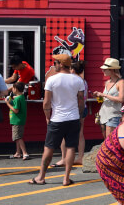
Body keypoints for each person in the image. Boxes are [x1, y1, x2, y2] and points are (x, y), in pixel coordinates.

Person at [29, 55, 85, 186]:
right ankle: (66, 178)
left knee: (49, 147)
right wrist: (80, 114)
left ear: (60, 64)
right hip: (73, 117)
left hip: (57, 118)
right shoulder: (78, 80)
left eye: (55, 62)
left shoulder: (51, 80)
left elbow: (46, 102)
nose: (54, 64)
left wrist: (47, 116)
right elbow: (81, 101)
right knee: (71, 147)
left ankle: (41, 176)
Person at [94, 58, 124, 139]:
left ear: (112, 70)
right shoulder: (107, 82)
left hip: (114, 114)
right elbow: (103, 100)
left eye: (105, 69)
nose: (103, 71)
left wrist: (104, 95)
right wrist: (99, 97)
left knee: (110, 140)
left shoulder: (121, 82)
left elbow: (121, 99)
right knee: (106, 140)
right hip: (103, 113)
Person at [6, 81, 29, 160]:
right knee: (17, 137)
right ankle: (18, 152)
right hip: (19, 120)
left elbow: (16, 110)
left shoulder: (18, 98)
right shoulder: (21, 97)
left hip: (17, 120)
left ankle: (25, 153)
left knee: (18, 137)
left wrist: (8, 104)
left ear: (15, 89)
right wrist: (11, 101)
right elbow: (16, 104)